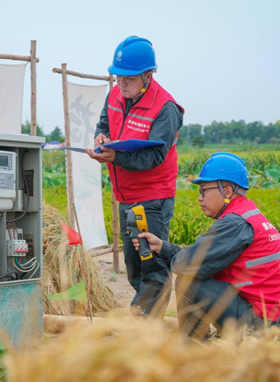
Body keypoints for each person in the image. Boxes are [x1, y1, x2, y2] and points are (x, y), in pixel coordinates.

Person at [132, 152, 280, 338]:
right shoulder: (247, 214)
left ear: (227, 191)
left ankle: (196, 352)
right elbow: (200, 256)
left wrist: (170, 253)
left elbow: (187, 264)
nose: (199, 198)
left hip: (267, 325)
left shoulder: (234, 222)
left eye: (204, 190)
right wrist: (161, 247)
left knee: (187, 281)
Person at [86, 35, 184, 317]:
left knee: (151, 265)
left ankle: (146, 328)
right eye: (117, 76)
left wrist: (115, 156)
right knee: (134, 264)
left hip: (153, 198)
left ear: (148, 74)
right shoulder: (116, 94)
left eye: (128, 77)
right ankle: (143, 317)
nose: (121, 83)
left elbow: (155, 156)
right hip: (125, 197)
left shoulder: (166, 109)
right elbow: (103, 123)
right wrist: (100, 137)